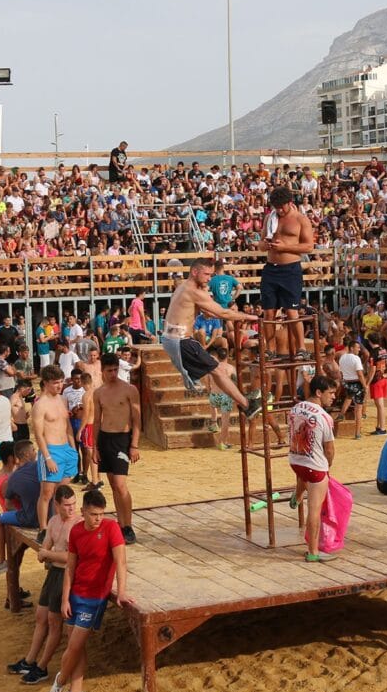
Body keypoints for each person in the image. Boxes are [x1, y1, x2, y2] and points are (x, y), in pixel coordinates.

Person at [49, 488, 134, 692]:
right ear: (84, 512)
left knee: (75, 644)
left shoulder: (111, 528)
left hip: (95, 597)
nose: (99, 519)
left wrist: (121, 591)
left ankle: (59, 682)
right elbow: (70, 567)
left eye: (101, 514)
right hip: (76, 593)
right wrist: (65, 598)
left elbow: (121, 563)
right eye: (94, 514)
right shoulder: (76, 532)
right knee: (76, 646)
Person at [159, 257, 262, 418]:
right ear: (194, 272)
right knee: (219, 371)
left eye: (211, 275)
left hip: (174, 339)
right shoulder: (194, 291)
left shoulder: (183, 287)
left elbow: (208, 312)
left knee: (218, 370)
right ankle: (247, 406)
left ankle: (244, 402)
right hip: (180, 341)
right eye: (207, 274)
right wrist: (250, 318)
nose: (209, 278)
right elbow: (222, 313)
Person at [8, 483, 82, 686]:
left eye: (73, 504)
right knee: (41, 616)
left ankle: (42, 666)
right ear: (57, 505)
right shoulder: (54, 521)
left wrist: (47, 554)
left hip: (65, 575)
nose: (71, 508)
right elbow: (47, 545)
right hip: (54, 574)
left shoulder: (77, 525)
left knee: (53, 621)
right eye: (67, 505)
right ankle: (30, 660)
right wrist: (46, 552)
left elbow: (72, 557)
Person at [92, 353, 142, 543]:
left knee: (121, 485)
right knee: (113, 485)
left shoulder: (129, 390)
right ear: (102, 370)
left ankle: (128, 525)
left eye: (115, 370)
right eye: (109, 370)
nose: (113, 373)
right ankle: (121, 524)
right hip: (105, 438)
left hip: (122, 438)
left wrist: (134, 445)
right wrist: (95, 447)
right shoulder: (99, 393)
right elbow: (96, 420)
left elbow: (137, 420)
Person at [287, 376, 339, 562]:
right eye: (330, 393)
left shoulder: (294, 408)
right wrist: (328, 467)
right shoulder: (324, 417)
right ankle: (313, 552)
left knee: (303, 473)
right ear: (319, 392)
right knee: (314, 509)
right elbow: (330, 449)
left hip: (295, 460)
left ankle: (298, 494)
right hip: (314, 467)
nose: (333, 397)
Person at [261, 187, 315, 360]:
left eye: (281, 207)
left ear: (289, 203)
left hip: (290, 269)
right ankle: (270, 349)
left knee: (292, 311)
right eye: (275, 207)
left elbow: (308, 246)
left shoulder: (301, 219)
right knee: (269, 312)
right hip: (271, 267)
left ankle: (301, 348)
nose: (279, 210)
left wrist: (285, 247)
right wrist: (264, 245)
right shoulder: (270, 218)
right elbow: (262, 242)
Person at [30, 365, 79, 533]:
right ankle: (43, 529)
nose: (59, 386)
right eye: (55, 383)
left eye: (61, 382)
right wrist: (48, 457)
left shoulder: (63, 399)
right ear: (45, 383)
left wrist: (73, 450)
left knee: (62, 494)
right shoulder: (40, 405)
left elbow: (67, 427)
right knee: (46, 493)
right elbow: (39, 434)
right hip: (51, 450)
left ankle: (60, 527)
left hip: (66, 449)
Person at [0, 440, 41, 576]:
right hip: (18, 519)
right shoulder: (9, 478)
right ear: (12, 458)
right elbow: (10, 504)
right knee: (15, 561)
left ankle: (2, 563)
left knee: (16, 560)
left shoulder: (6, 475)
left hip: (18, 516)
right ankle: (12, 591)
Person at [337, 339, 368, 438]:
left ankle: (342, 414)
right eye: (357, 347)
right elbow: (359, 374)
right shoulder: (356, 359)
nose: (359, 350)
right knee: (358, 409)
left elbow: (341, 372)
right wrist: (364, 385)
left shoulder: (342, 357)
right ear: (351, 348)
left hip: (346, 382)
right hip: (356, 383)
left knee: (349, 397)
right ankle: (357, 433)